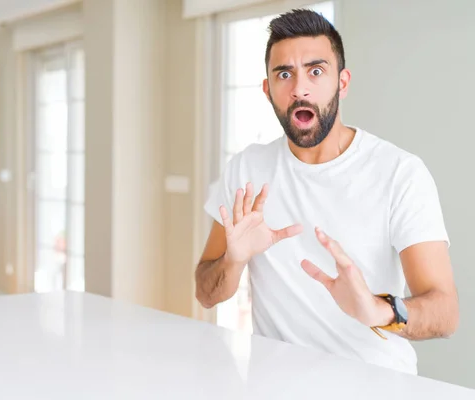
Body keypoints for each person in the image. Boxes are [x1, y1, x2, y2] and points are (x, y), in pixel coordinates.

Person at [195, 8, 459, 375]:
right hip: (272, 386)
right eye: (284, 74)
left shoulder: (400, 173)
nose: (300, 88)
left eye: (315, 71)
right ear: (268, 90)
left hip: (376, 387)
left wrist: (378, 309)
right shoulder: (246, 169)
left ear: (343, 82)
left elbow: (445, 313)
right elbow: (207, 294)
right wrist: (233, 260)